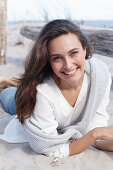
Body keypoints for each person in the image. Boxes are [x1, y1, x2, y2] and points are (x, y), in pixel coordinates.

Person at [0, 19, 113, 159]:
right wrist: (95, 134)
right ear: (48, 61)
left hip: (46, 90)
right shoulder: (41, 92)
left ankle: (14, 81)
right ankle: (8, 82)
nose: (68, 65)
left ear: (84, 50)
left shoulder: (100, 75)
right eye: (57, 58)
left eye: (74, 53)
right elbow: (50, 149)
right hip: (23, 100)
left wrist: (101, 137)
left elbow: (96, 124)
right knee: (8, 96)